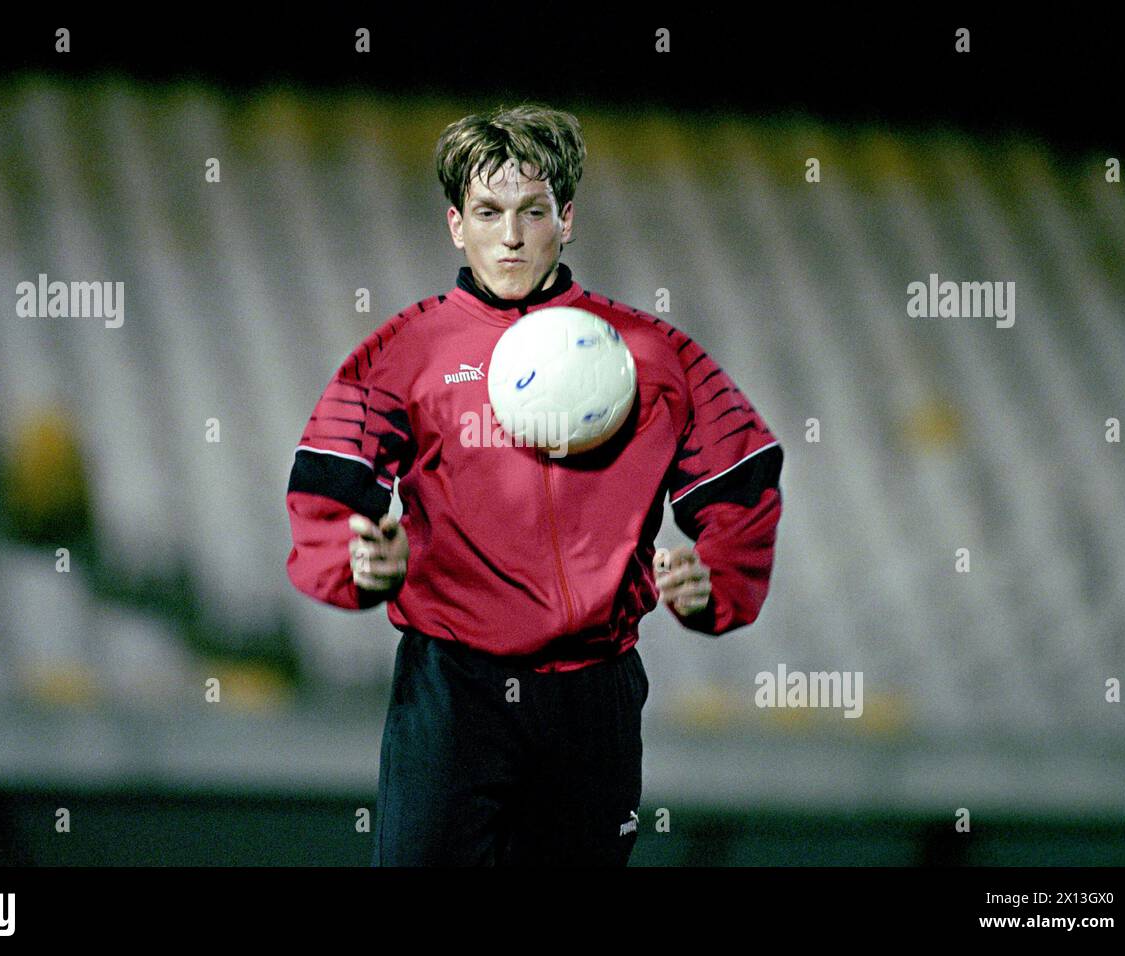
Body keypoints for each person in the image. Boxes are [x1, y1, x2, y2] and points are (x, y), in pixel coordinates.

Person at [285, 104, 784, 865]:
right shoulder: (405, 351)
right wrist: (354, 564)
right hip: (451, 691)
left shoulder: (652, 354)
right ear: (457, 224)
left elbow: (743, 476)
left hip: (594, 695)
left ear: (567, 217)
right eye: (488, 212)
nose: (511, 236)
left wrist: (713, 583)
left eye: (532, 211)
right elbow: (325, 484)